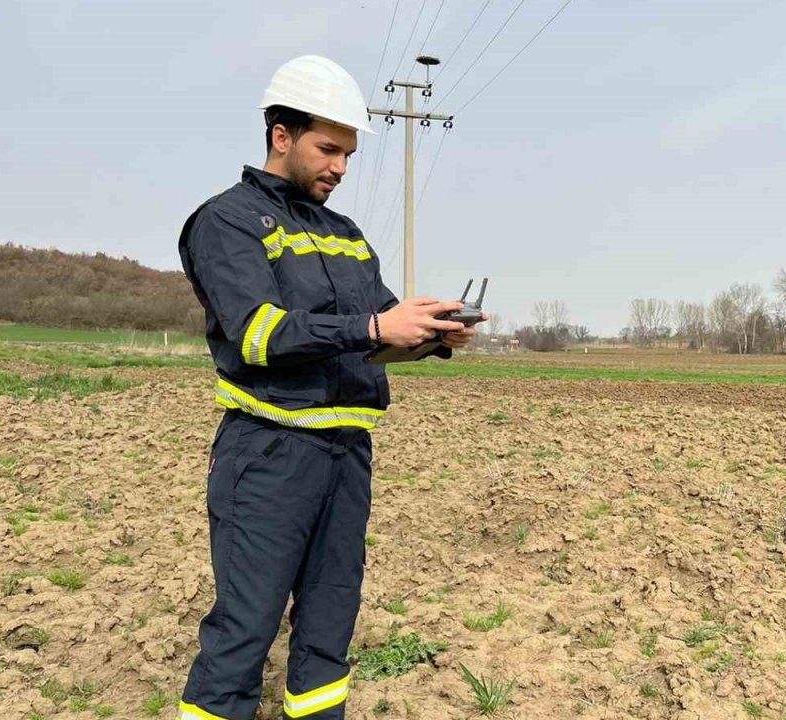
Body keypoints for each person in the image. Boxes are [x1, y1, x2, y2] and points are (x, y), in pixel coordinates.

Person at [175, 55, 481, 720]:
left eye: (348, 153)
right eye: (328, 149)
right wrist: (374, 322)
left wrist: (430, 338)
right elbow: (259, 335)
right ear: (281, 136)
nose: (341, 166)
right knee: (242, 635)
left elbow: (373, 342)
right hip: (269, 455)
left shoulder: (347, 236)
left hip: (347, 456)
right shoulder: (227, 222)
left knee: (328, 634)